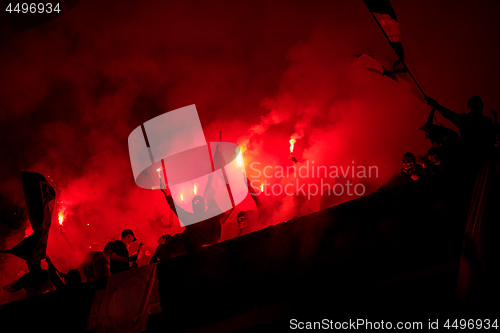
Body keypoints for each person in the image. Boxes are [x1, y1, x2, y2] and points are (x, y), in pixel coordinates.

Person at [160, 180, 230, 253]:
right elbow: (176, 209)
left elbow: (216, 232)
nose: (195, 204)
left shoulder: (211, 217)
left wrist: (211, 244)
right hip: (192, 254)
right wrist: (167, 195)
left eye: (197, 202)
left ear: (202, 204)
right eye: (194, 203)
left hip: (207, 252)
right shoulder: (189, 218)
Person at [425, 96, 496, 163]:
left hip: (469, 159)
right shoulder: (487, 121)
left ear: (469, 107)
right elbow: (492, 139)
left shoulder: (464, 120)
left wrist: (437, 106)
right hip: (486, 159)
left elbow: (449, 114)